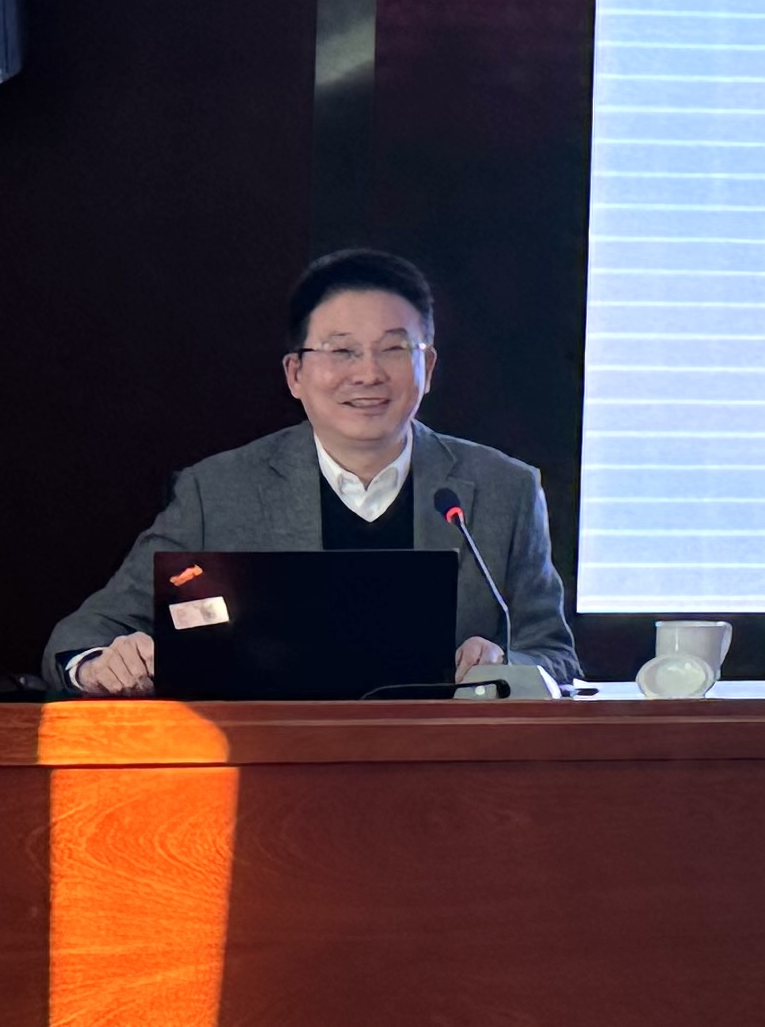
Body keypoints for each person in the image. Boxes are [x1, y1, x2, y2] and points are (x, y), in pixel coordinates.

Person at [47, 247, 581, 695]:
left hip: (443, 768)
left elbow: (554, 654)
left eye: (394, 349)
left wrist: (506, 664)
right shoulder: (218, 491)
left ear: (429, 366)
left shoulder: (504, 489)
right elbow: (83, 636)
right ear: (295, 374)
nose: (368, 373)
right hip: (268, 767)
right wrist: (99, 665)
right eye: (341, 351)